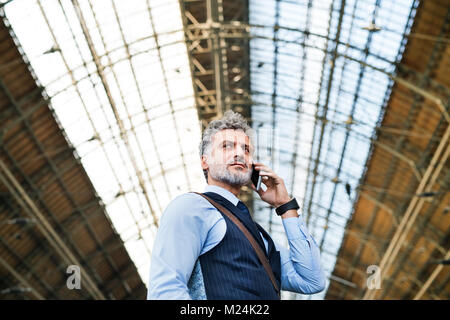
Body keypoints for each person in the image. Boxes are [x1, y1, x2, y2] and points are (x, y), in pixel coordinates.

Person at [147, 110, 326, 300]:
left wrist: (285, 206)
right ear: (204, 161)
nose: (239, 153)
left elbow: (312, 281)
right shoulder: (191, 207)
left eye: (246, 149)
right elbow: (165, 291)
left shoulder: (261, 239)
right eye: (227, 146)